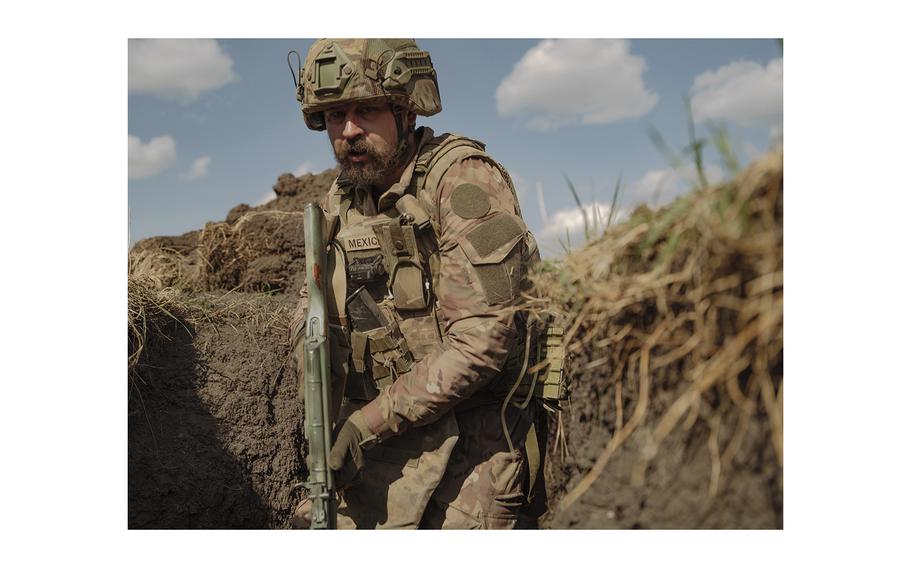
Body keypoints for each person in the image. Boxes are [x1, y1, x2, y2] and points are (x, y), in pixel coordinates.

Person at [288, 38, 549, 529]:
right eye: (334, 115)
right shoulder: (340, 201)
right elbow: (314, 314)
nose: (348, 131)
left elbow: (481, 343)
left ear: (406, 110)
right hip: (378, 442)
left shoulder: (464, 183)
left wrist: (363, 428)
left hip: (474, 442)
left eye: (366, 110)